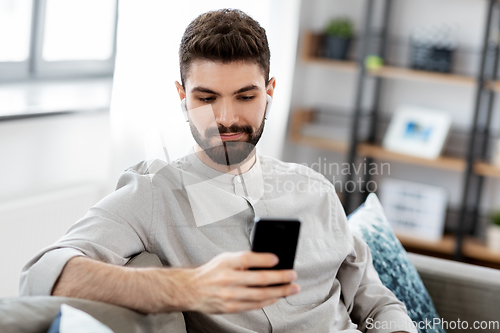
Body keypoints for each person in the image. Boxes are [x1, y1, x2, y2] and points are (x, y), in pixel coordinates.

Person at [20, 9, 416, 333]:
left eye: (246, 96)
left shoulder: (314, 188)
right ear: (182, 96)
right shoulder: (152, 194)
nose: (226, 118)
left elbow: (373, 296)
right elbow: (41, 275)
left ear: (270, 92)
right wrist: (190, 287)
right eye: (206, 98)